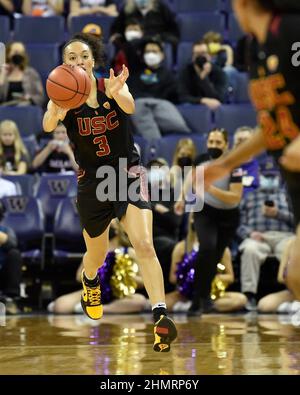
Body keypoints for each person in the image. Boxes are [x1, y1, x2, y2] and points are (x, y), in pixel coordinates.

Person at [42, 33, 177, 352]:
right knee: (97, 255)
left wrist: (119, 93)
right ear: (64, 64)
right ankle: (91, 281)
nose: (77, 62)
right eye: (71, 57)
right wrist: (56, 112)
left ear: (93, 61)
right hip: (92, 181)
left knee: (143, 243)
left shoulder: (110, 85)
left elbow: (129, 105)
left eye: (83, 56)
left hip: (126, 174)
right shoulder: (61, 93)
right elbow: (48, 125)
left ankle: (160, 316)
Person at [202, 0, 300, 302]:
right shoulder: (255, 49)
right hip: (296, 181)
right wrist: (225, 164)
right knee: (295, 276)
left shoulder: (292, 28)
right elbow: (269, 125)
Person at [175, 128, 243, 315]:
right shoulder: (201, 160)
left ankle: (204, 298)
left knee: (215, 255)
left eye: (218, 143)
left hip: (228, 216)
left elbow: (235, 198)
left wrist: (210, 188)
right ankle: (197, 299)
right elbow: (190, 179)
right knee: (207, 247)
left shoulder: (234, 164)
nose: (214, 146)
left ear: (226, 145)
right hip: (205, 211)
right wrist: (181, 199)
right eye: (211, 142)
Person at [237, 162, 294, 310]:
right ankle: (249, 296)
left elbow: (297, 222)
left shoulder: (289, 196)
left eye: (272, 176)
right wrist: (250, 233)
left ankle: (295, 292)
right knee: (250, 249)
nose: (269, 179)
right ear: (259, 176)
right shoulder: (249, 197)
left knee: (293, 250)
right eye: (266, 176)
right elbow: (239, 225)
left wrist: (278, 214)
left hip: (284, 237)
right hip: (258, 237)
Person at [167, 213, 247, 313]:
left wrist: (211, 278)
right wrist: (189, 278)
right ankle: (197, 307)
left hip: (212, 295)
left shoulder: (222, 248)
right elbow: (172, 278)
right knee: (161, 303)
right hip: (185, 295)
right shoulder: (181, 247)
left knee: (240, 299)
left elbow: (230, 277)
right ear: (192, 221)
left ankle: (199, 307)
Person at [0, 41, 45, 106]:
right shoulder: (2, 72)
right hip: (4, 110)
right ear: (8, 53)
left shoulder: (31, 73)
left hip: (25, 109)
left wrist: (30, 98)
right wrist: (2, 76)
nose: (18, 55)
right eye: (16, 52)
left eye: (21, 52)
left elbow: (41, 97)